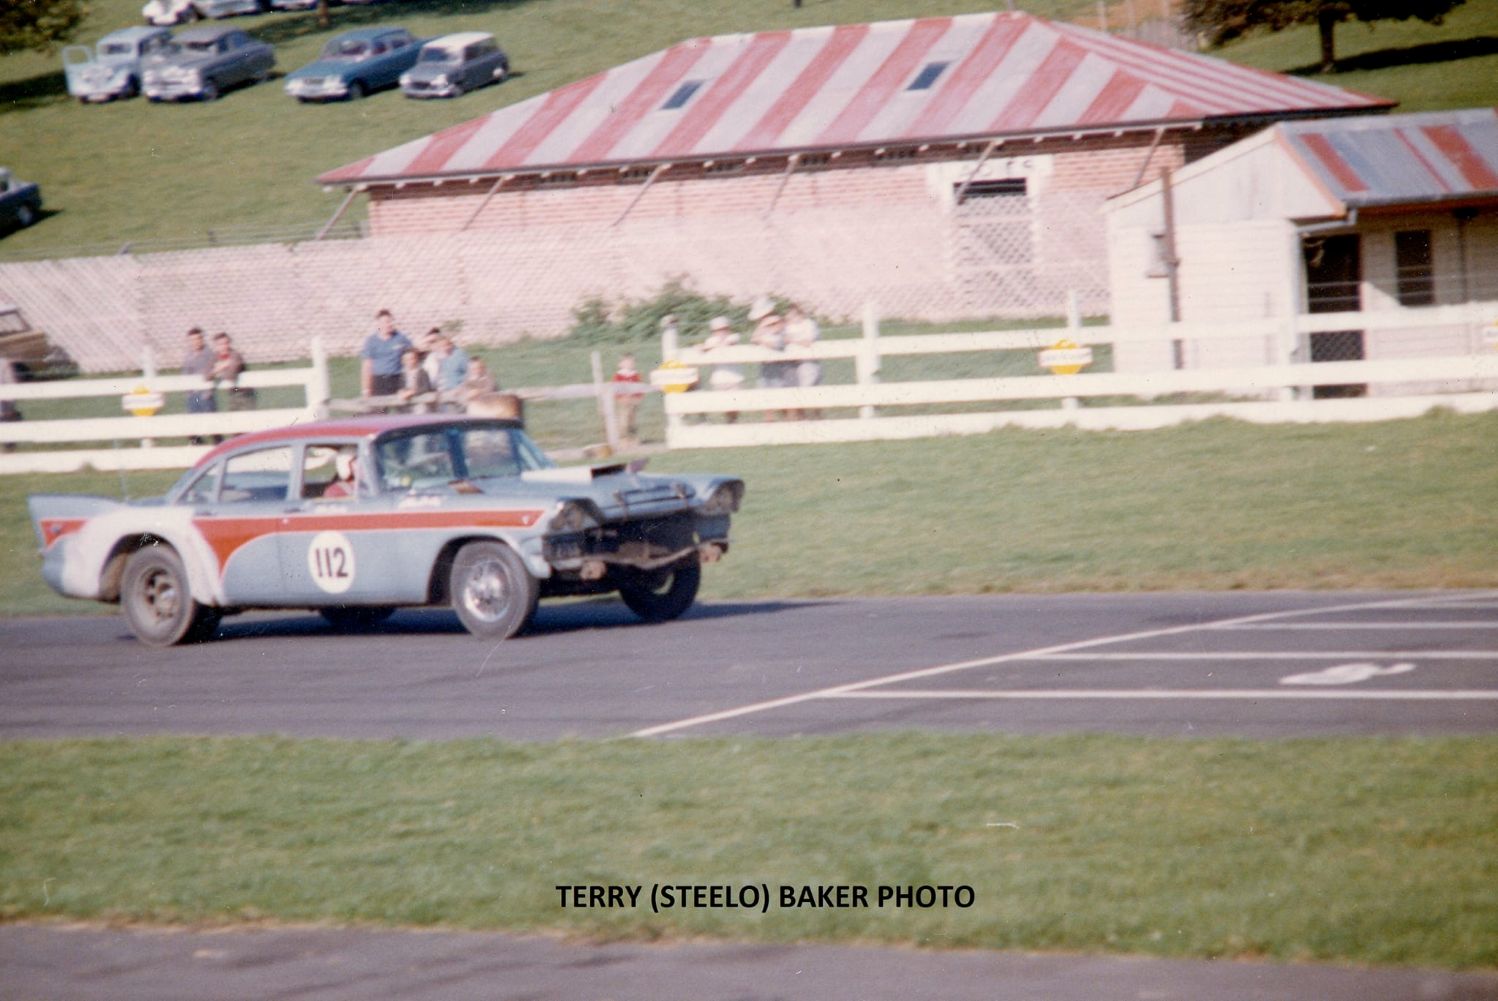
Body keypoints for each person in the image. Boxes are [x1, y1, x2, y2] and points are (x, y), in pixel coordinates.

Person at [748, 299, 793, 421]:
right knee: (766, 392)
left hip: (780, 363)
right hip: (766, 363)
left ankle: (789, 421)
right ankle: (769, 421)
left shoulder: (779, 321)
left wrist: (763, 339)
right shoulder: (762, 325)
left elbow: (778, 342)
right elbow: (754, 338)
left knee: (782, 393)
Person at [360, 309, 413, 406]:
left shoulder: (400, 338)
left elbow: (412, 354)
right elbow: (367, 366)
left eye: (390, 321)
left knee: (403, 410)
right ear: (378, 324)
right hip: (379, 381)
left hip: (397, 379)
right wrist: (366, 389)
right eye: (385, 322)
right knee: (379, 412)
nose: (389, 324)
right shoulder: (371, 341)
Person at [700, 316, 743, 423]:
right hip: (718, 379)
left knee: (735, 405)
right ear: (713, 331)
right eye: (718, 330)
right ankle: (727, 423)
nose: (721, 332)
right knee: (723, 404)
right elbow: (703, 348)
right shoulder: (710, 340)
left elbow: (729, 342)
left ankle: (732, 423)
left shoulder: (734, 337)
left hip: (734, 378)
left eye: (724, 329)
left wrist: (713, 346)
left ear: (728, 329)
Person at [784, 303, 822, 420]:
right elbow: (783, 340)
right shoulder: (788, 326)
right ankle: (802, 418)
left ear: (798, 314)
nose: (788, 317)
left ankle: (817, 417)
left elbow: (807, 342)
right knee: (795, 392)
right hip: (792, 363)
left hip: (808, 362)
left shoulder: (809, 324)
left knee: (809, 390)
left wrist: (792, 340)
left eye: (791, 315)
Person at [181, 327, 218, 445]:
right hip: (193, 395)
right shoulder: (188, 356)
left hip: (205, 395)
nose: (196, 342)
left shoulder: (209, 354)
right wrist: (188, 393)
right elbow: (185, 374)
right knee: (192, 427)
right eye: (192, 340)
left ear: (202, 339)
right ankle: (198, 448)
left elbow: (209, 373)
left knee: (212, 426)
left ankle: (218, 447)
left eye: (198, 339)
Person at [210, 332, 256, 411]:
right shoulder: (216, 357)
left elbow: (231, 376)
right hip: (233, 392)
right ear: (216, 346)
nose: (224, 347)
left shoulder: (235, 355)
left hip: (245, 393)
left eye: (226, 343)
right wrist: (218, 369)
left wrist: (221, 368)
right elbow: (206, 375)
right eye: (220, 344)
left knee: (247, 419)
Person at [428, 334, 471, 411]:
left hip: (456, 392)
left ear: (451, 344)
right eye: (442, 346)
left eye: (448, 345)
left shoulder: (459, 355)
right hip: (441, 393)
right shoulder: (438, 357)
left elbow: (470, 373)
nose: (446, 348)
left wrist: (460, 388)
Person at [612, 353, 646, 445]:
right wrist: (620, 398)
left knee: (632, 420)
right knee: (623, 420)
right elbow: (616, 389)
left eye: (631, 362)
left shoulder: (635, 375)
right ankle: (623, 438)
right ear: (620, 364)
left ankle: (633, 438)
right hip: (623, 401)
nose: (629, 364)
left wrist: (638, 398)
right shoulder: (618, 376)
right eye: (626, 362)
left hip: (633, 401)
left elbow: (640, 388)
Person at [396, 347, 434, 413]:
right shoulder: (403, 374)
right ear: (403, 361)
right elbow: (401, 386)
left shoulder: (422, 372)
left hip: (420, 402)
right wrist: (401, 391)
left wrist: (412, 392)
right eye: (407, 359)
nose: (410, 361)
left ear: (416, 359)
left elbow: (426, 387)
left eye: (412, 359)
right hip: (407, 403)